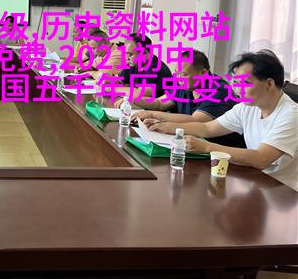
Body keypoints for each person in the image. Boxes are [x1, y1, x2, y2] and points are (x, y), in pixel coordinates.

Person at [147, 50, 298, 191]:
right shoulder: (247, 107)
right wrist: (166, 126)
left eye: (244, 83)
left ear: (269, 84)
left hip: (283, 192)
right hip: (254, 181)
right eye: (236, 83)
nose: (237, 89)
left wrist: (206, 147)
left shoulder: (291, 114)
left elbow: (261, 158)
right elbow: (208, 128)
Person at [119, 49, 245, 148]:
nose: (179, 78)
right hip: (190, 144)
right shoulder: (183, 83)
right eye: (177, 73)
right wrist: (133, 99)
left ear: (203, 73)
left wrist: (153, 114)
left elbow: (197, 119)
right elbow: (159, 103)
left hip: (220, 151)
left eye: (183, 74)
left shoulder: (219, 90)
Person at [118, 33, 172, 100]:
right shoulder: (134, 64)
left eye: (130, 55)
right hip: (138, 103)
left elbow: (140, 94)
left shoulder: (156, 69)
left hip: (154, 105)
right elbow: (119, 81)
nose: (126, 58)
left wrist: (113, 89)